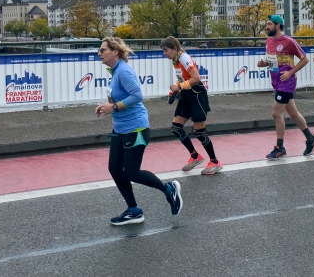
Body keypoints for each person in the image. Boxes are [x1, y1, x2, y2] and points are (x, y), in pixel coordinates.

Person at [95, 37, 183, 225]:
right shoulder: (115, 71)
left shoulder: (123, 71)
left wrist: (114, 107)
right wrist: (107, 106)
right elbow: (121, 98)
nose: (99, 53)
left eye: (103, 50)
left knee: (131, 172)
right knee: (114, 169)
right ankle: (134, 211)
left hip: (136, 128)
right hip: (120, 128)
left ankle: (169, 190)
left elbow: (137, 96)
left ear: (115, 52)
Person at [258, 15, 314, 159]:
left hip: (286, 82)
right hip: (276, 81)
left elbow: (304, 59)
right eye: (267, 24)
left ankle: (280, 147)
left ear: (277, 25)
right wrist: (265, 63)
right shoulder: (268, 41)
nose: (267, 27)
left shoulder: (288, 41)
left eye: (269, 24)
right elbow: (274, 60)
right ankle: (311, 139)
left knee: (276, 113)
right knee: (293, 113)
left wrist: (290, 73)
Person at [161, 36, 222, 175]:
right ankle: (195, 156)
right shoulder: (176, 59)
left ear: (174, 48)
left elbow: (196, 78)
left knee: (199, 132)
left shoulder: (184, 58)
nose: (164, 54)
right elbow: (183, 78)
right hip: (186, 94)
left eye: (166, 50)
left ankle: (215, 161)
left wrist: (179, 86)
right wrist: (176, 87)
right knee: (176, 128)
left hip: (197, 95)